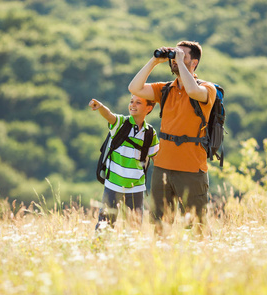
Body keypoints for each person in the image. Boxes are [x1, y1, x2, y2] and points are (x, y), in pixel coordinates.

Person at [128, 41, 217, 234]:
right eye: (175, 55)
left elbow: (193, 91)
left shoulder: (207, 89)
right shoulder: (166, 89)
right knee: (160, 225)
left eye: (182, 56)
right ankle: (163, 260)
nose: (176, 59)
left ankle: (201, 260)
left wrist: (180, 63)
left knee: (196, 227)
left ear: (194, 63)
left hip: (192, 169)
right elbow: (134, 88)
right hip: (163, 168)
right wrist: (154, 61)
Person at [89, 95, 159, 230]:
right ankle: (98, 250)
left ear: (149, 108)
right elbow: (109, 115)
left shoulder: (150, 133)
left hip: (136, 187)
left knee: (134, 227)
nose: (133, 105)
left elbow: (157, 158)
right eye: (131, 101)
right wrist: (101, 107)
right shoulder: (121, 123)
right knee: (105, 224)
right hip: (113, 184)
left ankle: (130, 250)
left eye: (138, 102)